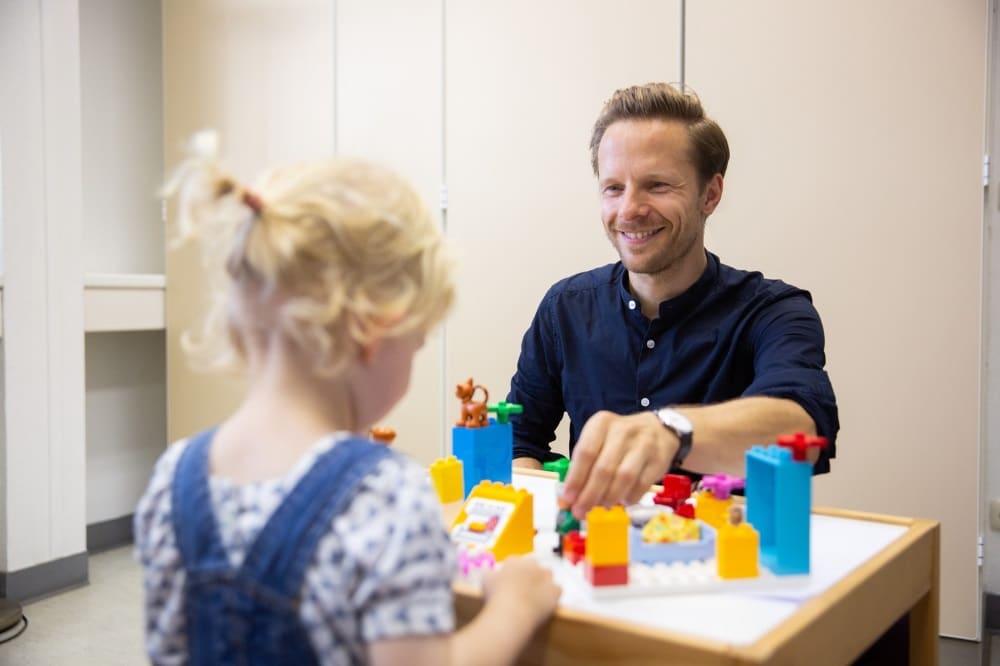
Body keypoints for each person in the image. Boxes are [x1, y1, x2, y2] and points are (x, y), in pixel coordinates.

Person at [135, 134, 560, 666]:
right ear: (373, 330)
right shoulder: (387, 496)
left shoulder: (172, 479)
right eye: (417, 341)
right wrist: (515, 606)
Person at [507, 83, 839, 519]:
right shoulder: (564, 308)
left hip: (727, 568)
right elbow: (520, 442)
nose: (629, 209)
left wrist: (671, 431)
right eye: (613, 187)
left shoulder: (774, 311)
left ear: (710, 194)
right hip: (590, 565)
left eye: (657, 185)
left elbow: (801, 423)